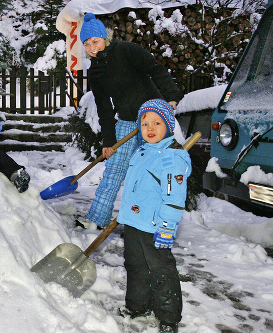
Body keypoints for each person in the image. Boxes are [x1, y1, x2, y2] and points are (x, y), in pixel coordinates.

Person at [75, 13, 183, 229]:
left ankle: (156, 221)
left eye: (95, 41)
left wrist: (171, 96)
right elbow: (104, 107)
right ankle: (97, 219)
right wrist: (108, 141)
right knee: (114, 169)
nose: (92, 48)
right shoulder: (95, 70)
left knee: (154, 172)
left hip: (152, 118)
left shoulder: (127, 50)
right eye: (87, 44)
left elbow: (156, 69)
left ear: (105, 37)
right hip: (126, 120)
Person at [116, 99, 191, 333]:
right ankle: (138, 307)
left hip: (156, 226)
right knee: (135, 266)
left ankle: (169, 319)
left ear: (168, 126)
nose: (150, 128)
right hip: (134, 222)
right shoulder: (141, 152)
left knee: (162, 271)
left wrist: (167, 227)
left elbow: (174, 198)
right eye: (145, 123)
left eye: (157, 123)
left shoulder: (171, 158)